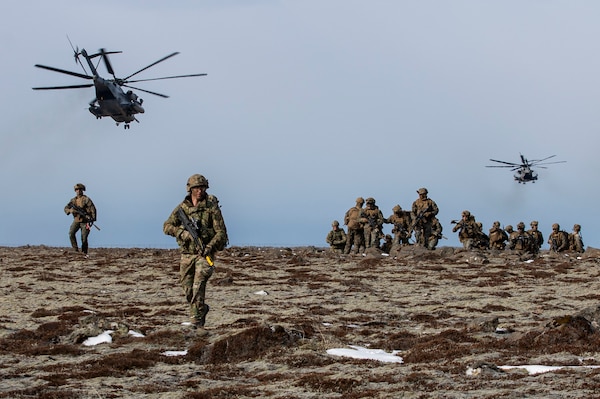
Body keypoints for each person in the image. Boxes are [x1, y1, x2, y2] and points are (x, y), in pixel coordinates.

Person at [163, 174, 228, 329]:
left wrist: (209, 247)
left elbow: (221, 233)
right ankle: (201, 309)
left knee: (198, 287)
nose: (200, 191)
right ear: (190, 189)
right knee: (188, 289)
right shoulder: (182, 209)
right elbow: (166, 226)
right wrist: (182, 233)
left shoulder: (211, 207)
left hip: (204, 255)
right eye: (196, 188)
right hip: (187, 255)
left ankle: (196, 323)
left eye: (202, 187)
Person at [64, 183, 97, 255]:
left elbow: (93, 209)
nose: (78, 191)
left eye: (80, 189)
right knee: (71, 233)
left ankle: (84, 252)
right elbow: (66, 208)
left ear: (83, 190)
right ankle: (75, 249)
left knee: (84, 238)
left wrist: (92, 219)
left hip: (85, 221)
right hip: (76, 220)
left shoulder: (86, 199)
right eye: (76, 190)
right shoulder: (73, 200)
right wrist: (70, 211)